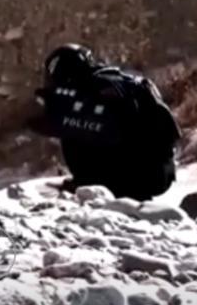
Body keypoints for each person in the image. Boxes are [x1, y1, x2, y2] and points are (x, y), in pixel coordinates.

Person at [28, 43, 182, 201]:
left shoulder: (91, 90)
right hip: (161, 175)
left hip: (132, 176)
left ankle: (88, 182)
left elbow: (109, 132)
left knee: (71, 126)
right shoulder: (124, 82)